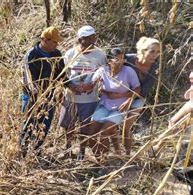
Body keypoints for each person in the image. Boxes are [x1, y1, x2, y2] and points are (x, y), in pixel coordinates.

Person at [59, 25, 107, 160]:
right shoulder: (70, 54)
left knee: (85, 126)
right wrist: (71, 87)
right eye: (87, 39)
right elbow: (62, 74)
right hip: (71, 97)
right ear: (80, 40)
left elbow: (103, 73)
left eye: (93, 38)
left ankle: (82, 151)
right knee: (68, 125)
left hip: (89, 98)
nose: (91, 41)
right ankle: (67, 149)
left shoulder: (100, 55)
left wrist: (92, 84)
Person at [20, 26, 66, 157]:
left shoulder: (56, 54)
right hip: (32, 96)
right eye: (54, 42)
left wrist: (71, 85)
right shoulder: (32, 54)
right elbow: (28, 78)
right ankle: (23, 152)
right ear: (45, 40)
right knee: (28, 124)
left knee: (44, 125)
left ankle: (35, 151)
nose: (56, 45)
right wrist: (36, 93)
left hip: (49, 96)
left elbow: (60, 74)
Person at [89, 48, 141, 155]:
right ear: (109, 61)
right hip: (104, 105)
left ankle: (105, 159)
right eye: (117, 59)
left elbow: (137, 88)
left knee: (104, 132)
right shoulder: (103, 71)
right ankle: (99, 160)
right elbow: (93, 85)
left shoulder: (128, 71)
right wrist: (102, 90)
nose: (121, 62)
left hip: (120, 108)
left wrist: (128, 100)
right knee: (91, 133)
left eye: (122, 59)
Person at [122, 37, 161, 155]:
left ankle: (127, 154)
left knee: (127, 125)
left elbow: (144, 90)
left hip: (138, 98)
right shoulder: (128, 59)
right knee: (110, 124)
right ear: (143, 50)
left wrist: (130, 98)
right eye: (152, 51)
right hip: (119, 95)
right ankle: (115, 151)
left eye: (158, 52)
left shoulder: (155, 67)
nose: (155, 55)